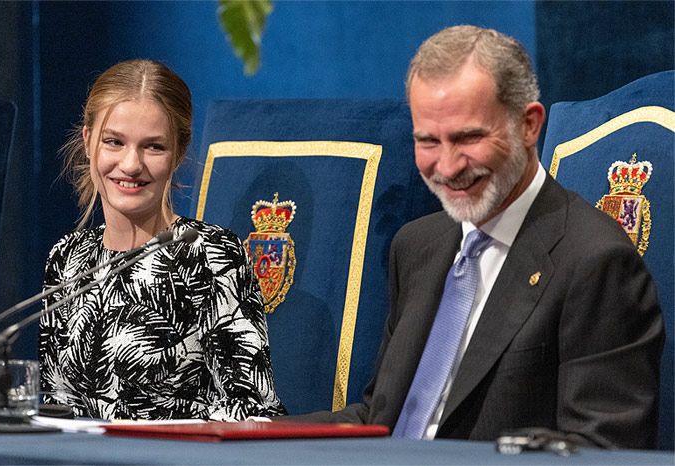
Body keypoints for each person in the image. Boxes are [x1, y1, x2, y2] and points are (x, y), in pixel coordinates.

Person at [291, 26, 664, 449]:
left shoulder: (595, 261)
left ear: (529, 125)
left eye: (469, 138)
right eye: (428, 141)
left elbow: (600, 453)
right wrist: (248, 435)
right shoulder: (416, 246)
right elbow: (382, 417)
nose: (447, 167)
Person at [39, 59, 285, 421]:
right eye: (114, 142)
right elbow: (53, 405)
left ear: (178, 153)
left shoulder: (211, 256)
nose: (131, 164)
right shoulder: (67, 259)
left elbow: (254, 412)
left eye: (153, 147)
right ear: (88, 141)